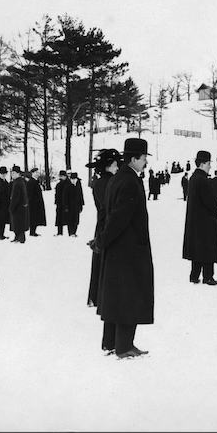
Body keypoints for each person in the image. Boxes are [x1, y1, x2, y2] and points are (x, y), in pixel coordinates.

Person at [91, 138, 154, 359]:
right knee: (130, 297)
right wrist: (103, 240)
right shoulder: (129, 182)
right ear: (134, 158)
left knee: (115, 296)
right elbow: (118, 218)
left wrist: (103, 241)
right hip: (129, 250)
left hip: (117, 249)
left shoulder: (117, 179)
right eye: (144, 158)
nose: (145, 162)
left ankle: (110, 342)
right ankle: (124, 346)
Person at [183, 150, 217, 285]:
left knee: (197, 250)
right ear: (202, 164)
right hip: (206, 222)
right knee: (207, 249)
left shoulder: (194, 178)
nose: (210, 166)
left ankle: (194, 276)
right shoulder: (203, 181)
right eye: (208, 163)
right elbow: (210, 202)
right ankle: (208, 276)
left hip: (196, 222)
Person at [86, 148, 122, 307]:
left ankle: (95, 295)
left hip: (101, 224)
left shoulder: (99, 182)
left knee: (99, 260)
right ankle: (100, 296)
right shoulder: (110, 182)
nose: (117, 167)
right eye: (115, 164)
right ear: (109, 165)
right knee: (105, 261)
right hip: (106, 224)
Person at [8, 166, 29, 243]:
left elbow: (15, 197)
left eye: (13, 173)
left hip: (18, 207)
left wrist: (11, 207)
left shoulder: (17, 183)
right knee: (18, 223)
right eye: (11, 173)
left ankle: (20, 238)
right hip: (21, 207)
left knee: (18, 223)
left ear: (18, 173)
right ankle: (18, 237)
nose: (12, 174)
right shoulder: (20, 181)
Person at [27, 168, 46, 236]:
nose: (37, 174)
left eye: (37, 172)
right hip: (33, 203)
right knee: (33, 218)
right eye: (35, 172)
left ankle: (33, 231)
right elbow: (30, 194)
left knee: (36, 218)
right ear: (32, 173)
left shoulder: (36, 181)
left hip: (37, 203)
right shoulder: (31, 182)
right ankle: (32, 232)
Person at [66, 172, 84, 236]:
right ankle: (71, 232)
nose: (73, 180)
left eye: (75, 179)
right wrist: (66, 206)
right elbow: (65, 196)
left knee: (76, 219)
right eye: (72, 179)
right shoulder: (67, 185)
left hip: (77, 205)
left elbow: (81, 194)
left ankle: (74, 232)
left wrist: (81, 204)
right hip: (69, 206)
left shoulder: (78, 184)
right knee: (70, 219)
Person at [54, 170, 71, 235]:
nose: (61, 177)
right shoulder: (59, 184)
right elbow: (57, 194)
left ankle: (71, 232)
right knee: (59, 218)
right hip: (60, 203)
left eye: (62, 176)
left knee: (68, 218)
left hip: (67, 203)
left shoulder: (68, 183)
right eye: (60, 176)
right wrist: (56, 201)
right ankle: (59, 232)